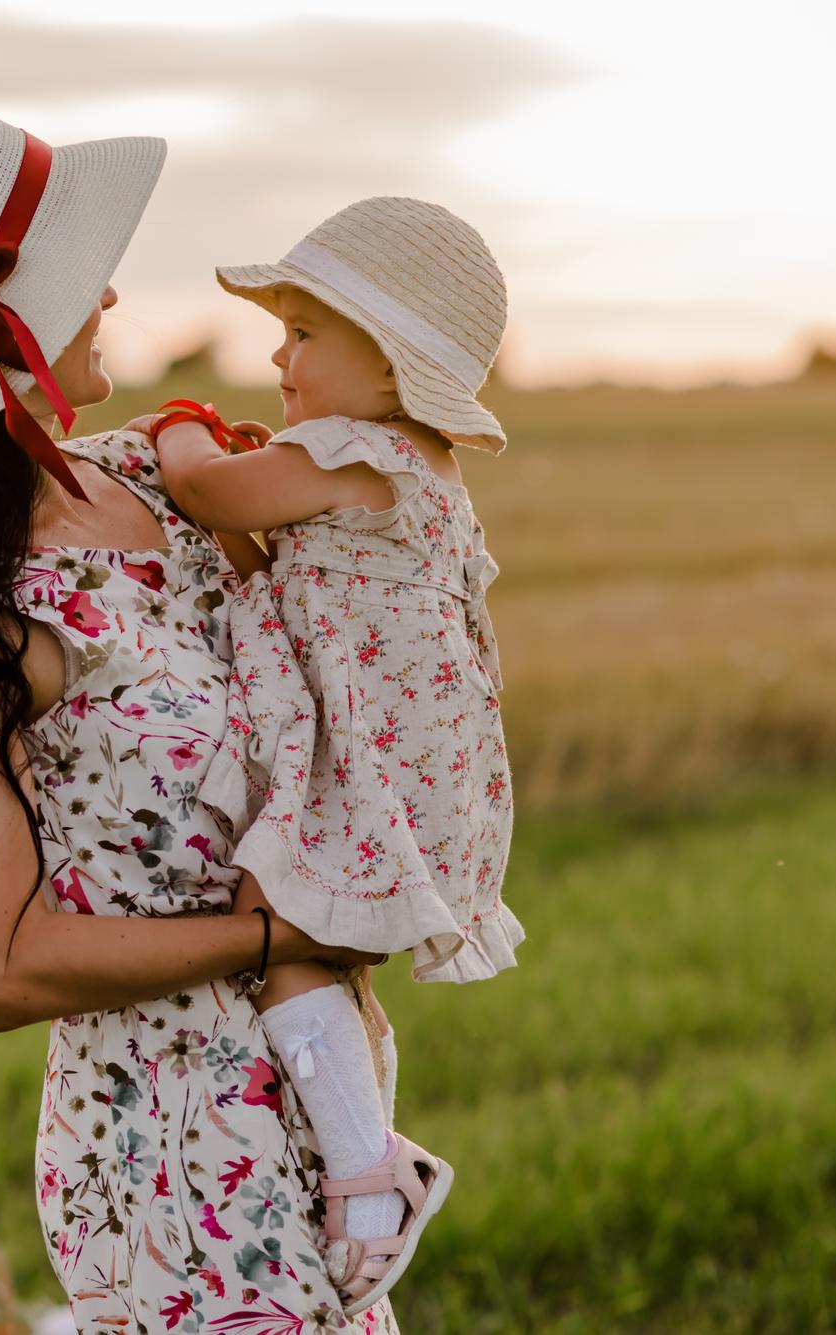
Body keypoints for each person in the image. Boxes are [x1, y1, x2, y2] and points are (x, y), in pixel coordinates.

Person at [0, 104, 403, 1331]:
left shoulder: (151, 475)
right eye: (85, 278)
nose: (115, 297)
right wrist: (269, 939)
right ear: (5, 322)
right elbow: (0, 964)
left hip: (317, 1087)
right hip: (168, 1147)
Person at [142, 196, 524, 1313]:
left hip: (371, 769)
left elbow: (205, 488)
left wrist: (178, 425)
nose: (277, 353)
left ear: (391, 366)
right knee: (315, 947)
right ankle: (357, 1149)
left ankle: (371, 1174)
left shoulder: (355, 451)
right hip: (412, 768)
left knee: (277, 927)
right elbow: (274, 569)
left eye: (304, 333)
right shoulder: (417, 469)